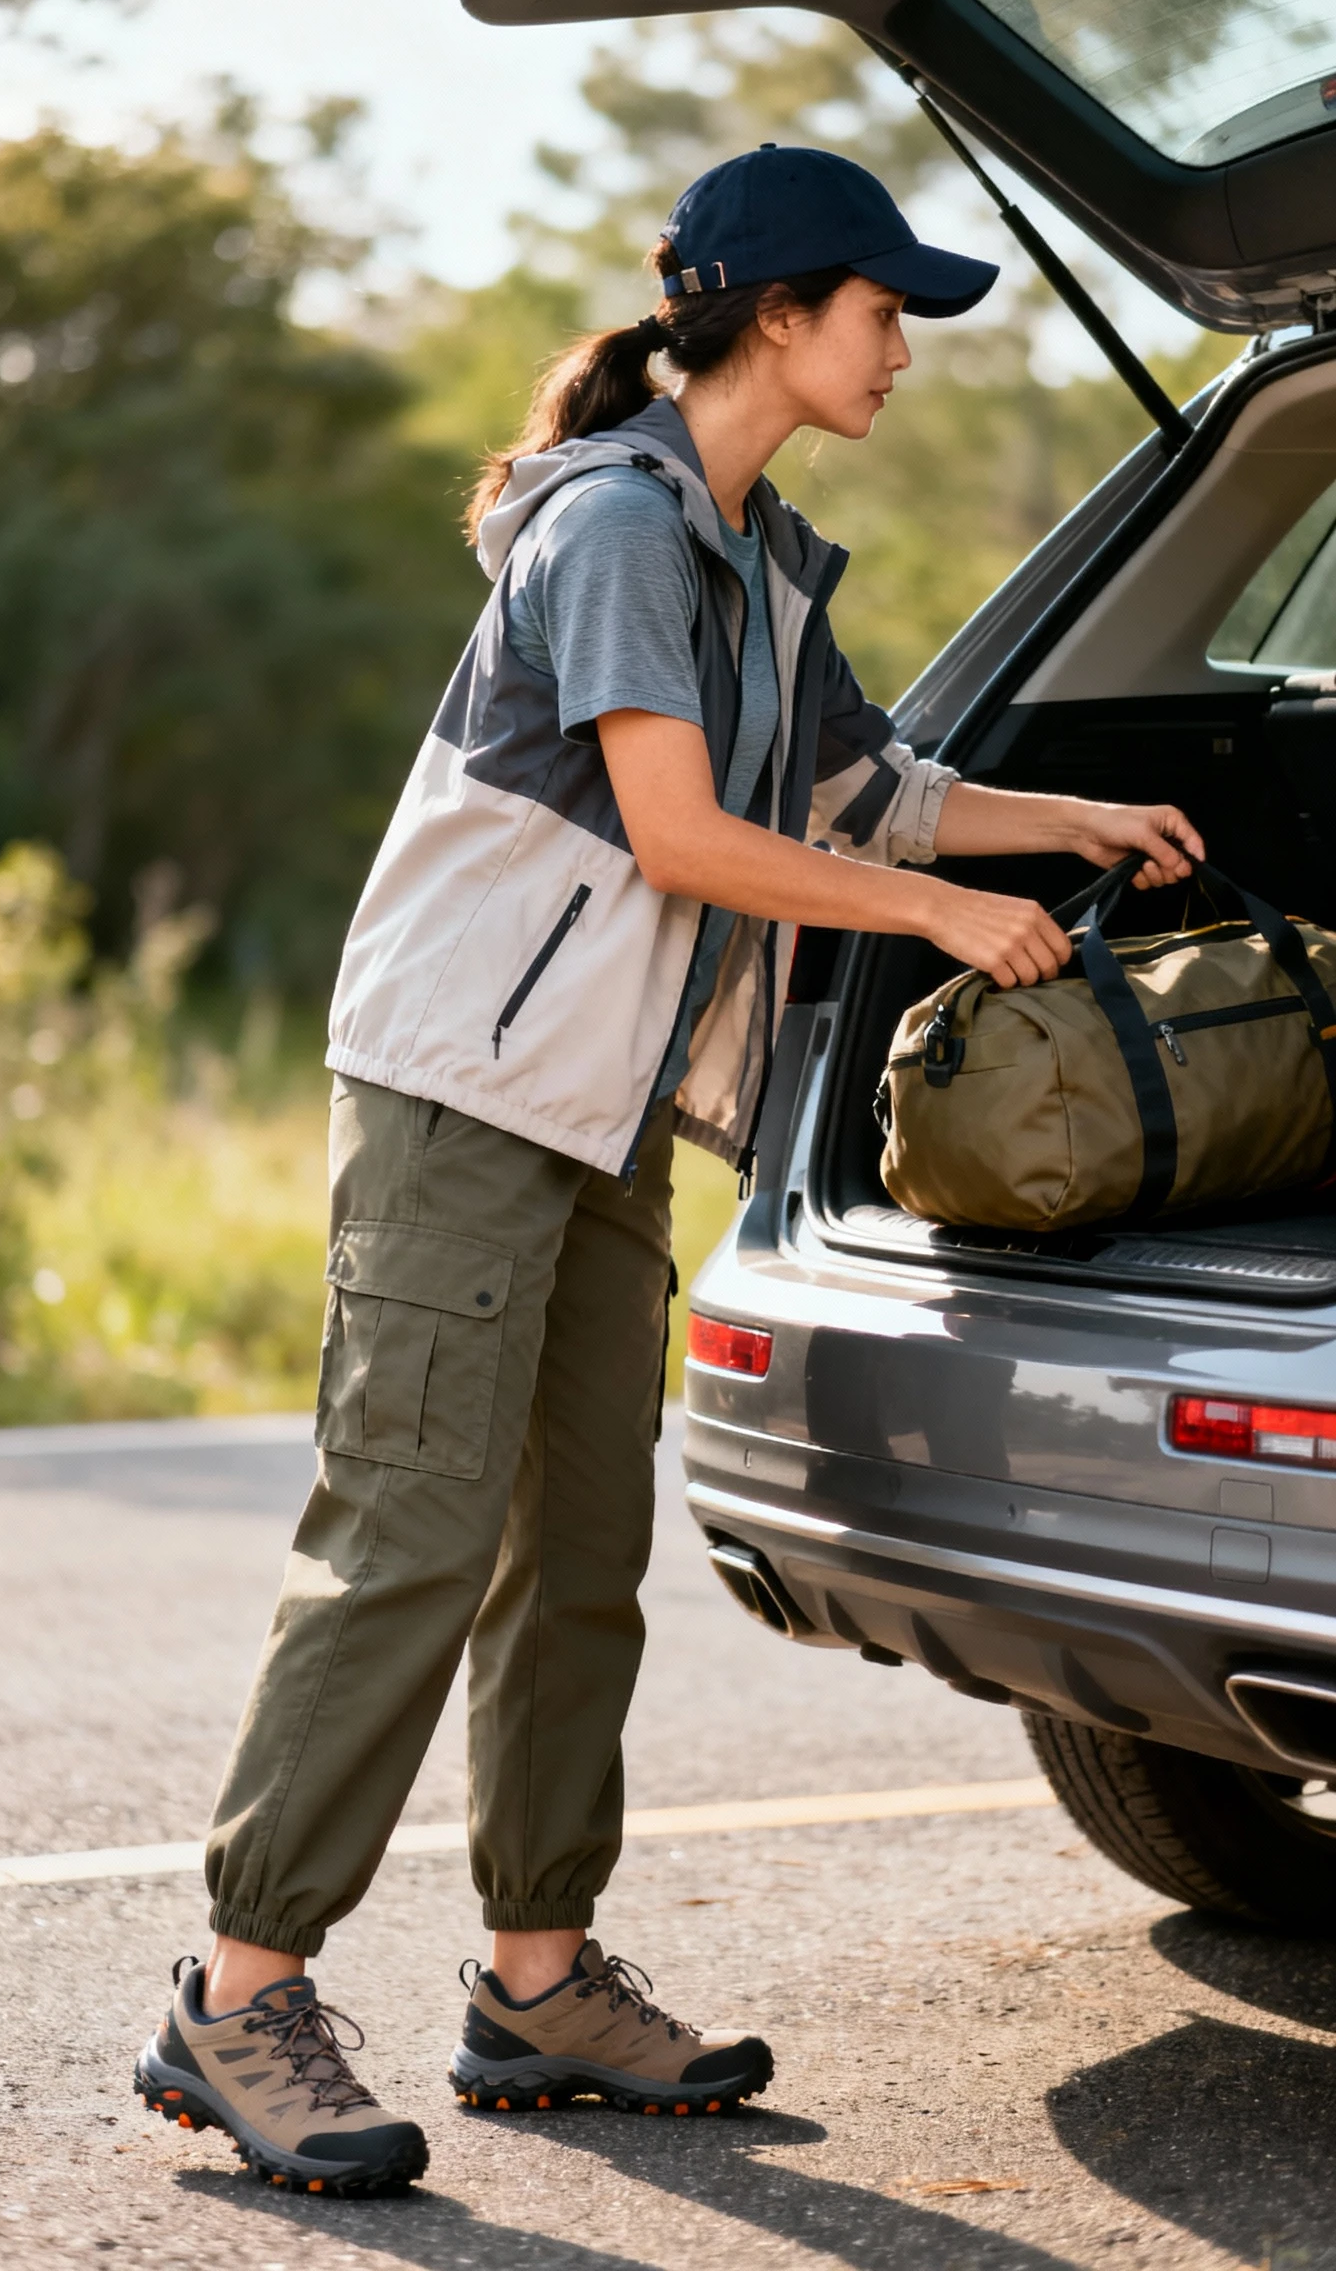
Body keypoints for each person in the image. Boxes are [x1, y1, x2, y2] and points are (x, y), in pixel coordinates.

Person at [135, 144, 1204, 2196]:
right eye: (884, 313)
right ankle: (237, 1984)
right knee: (414, 1537)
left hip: (604, 1097)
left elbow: (863, 787)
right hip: (464, 1081)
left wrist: (1074, 820)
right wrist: (952, 923)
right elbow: (688, 833)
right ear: (782, 315)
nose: (904, 350)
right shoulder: (618, 519)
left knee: (579, 1551)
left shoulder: (761, 548)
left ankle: (537, 1981)